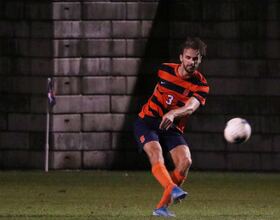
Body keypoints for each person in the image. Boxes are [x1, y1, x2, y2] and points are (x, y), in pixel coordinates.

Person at [133, 37, 210, 217]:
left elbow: (191, 107)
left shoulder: (201, 85)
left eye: (195, 59)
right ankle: (172, 188)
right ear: (181, 57)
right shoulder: (165, 69)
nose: (191, 62)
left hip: (171, 126)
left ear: (200, 60)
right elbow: (159, 91)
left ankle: (161, 208)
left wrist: (173, 113)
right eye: (188, 57)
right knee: (155, 151)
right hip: (147, 121)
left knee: (186, 162)